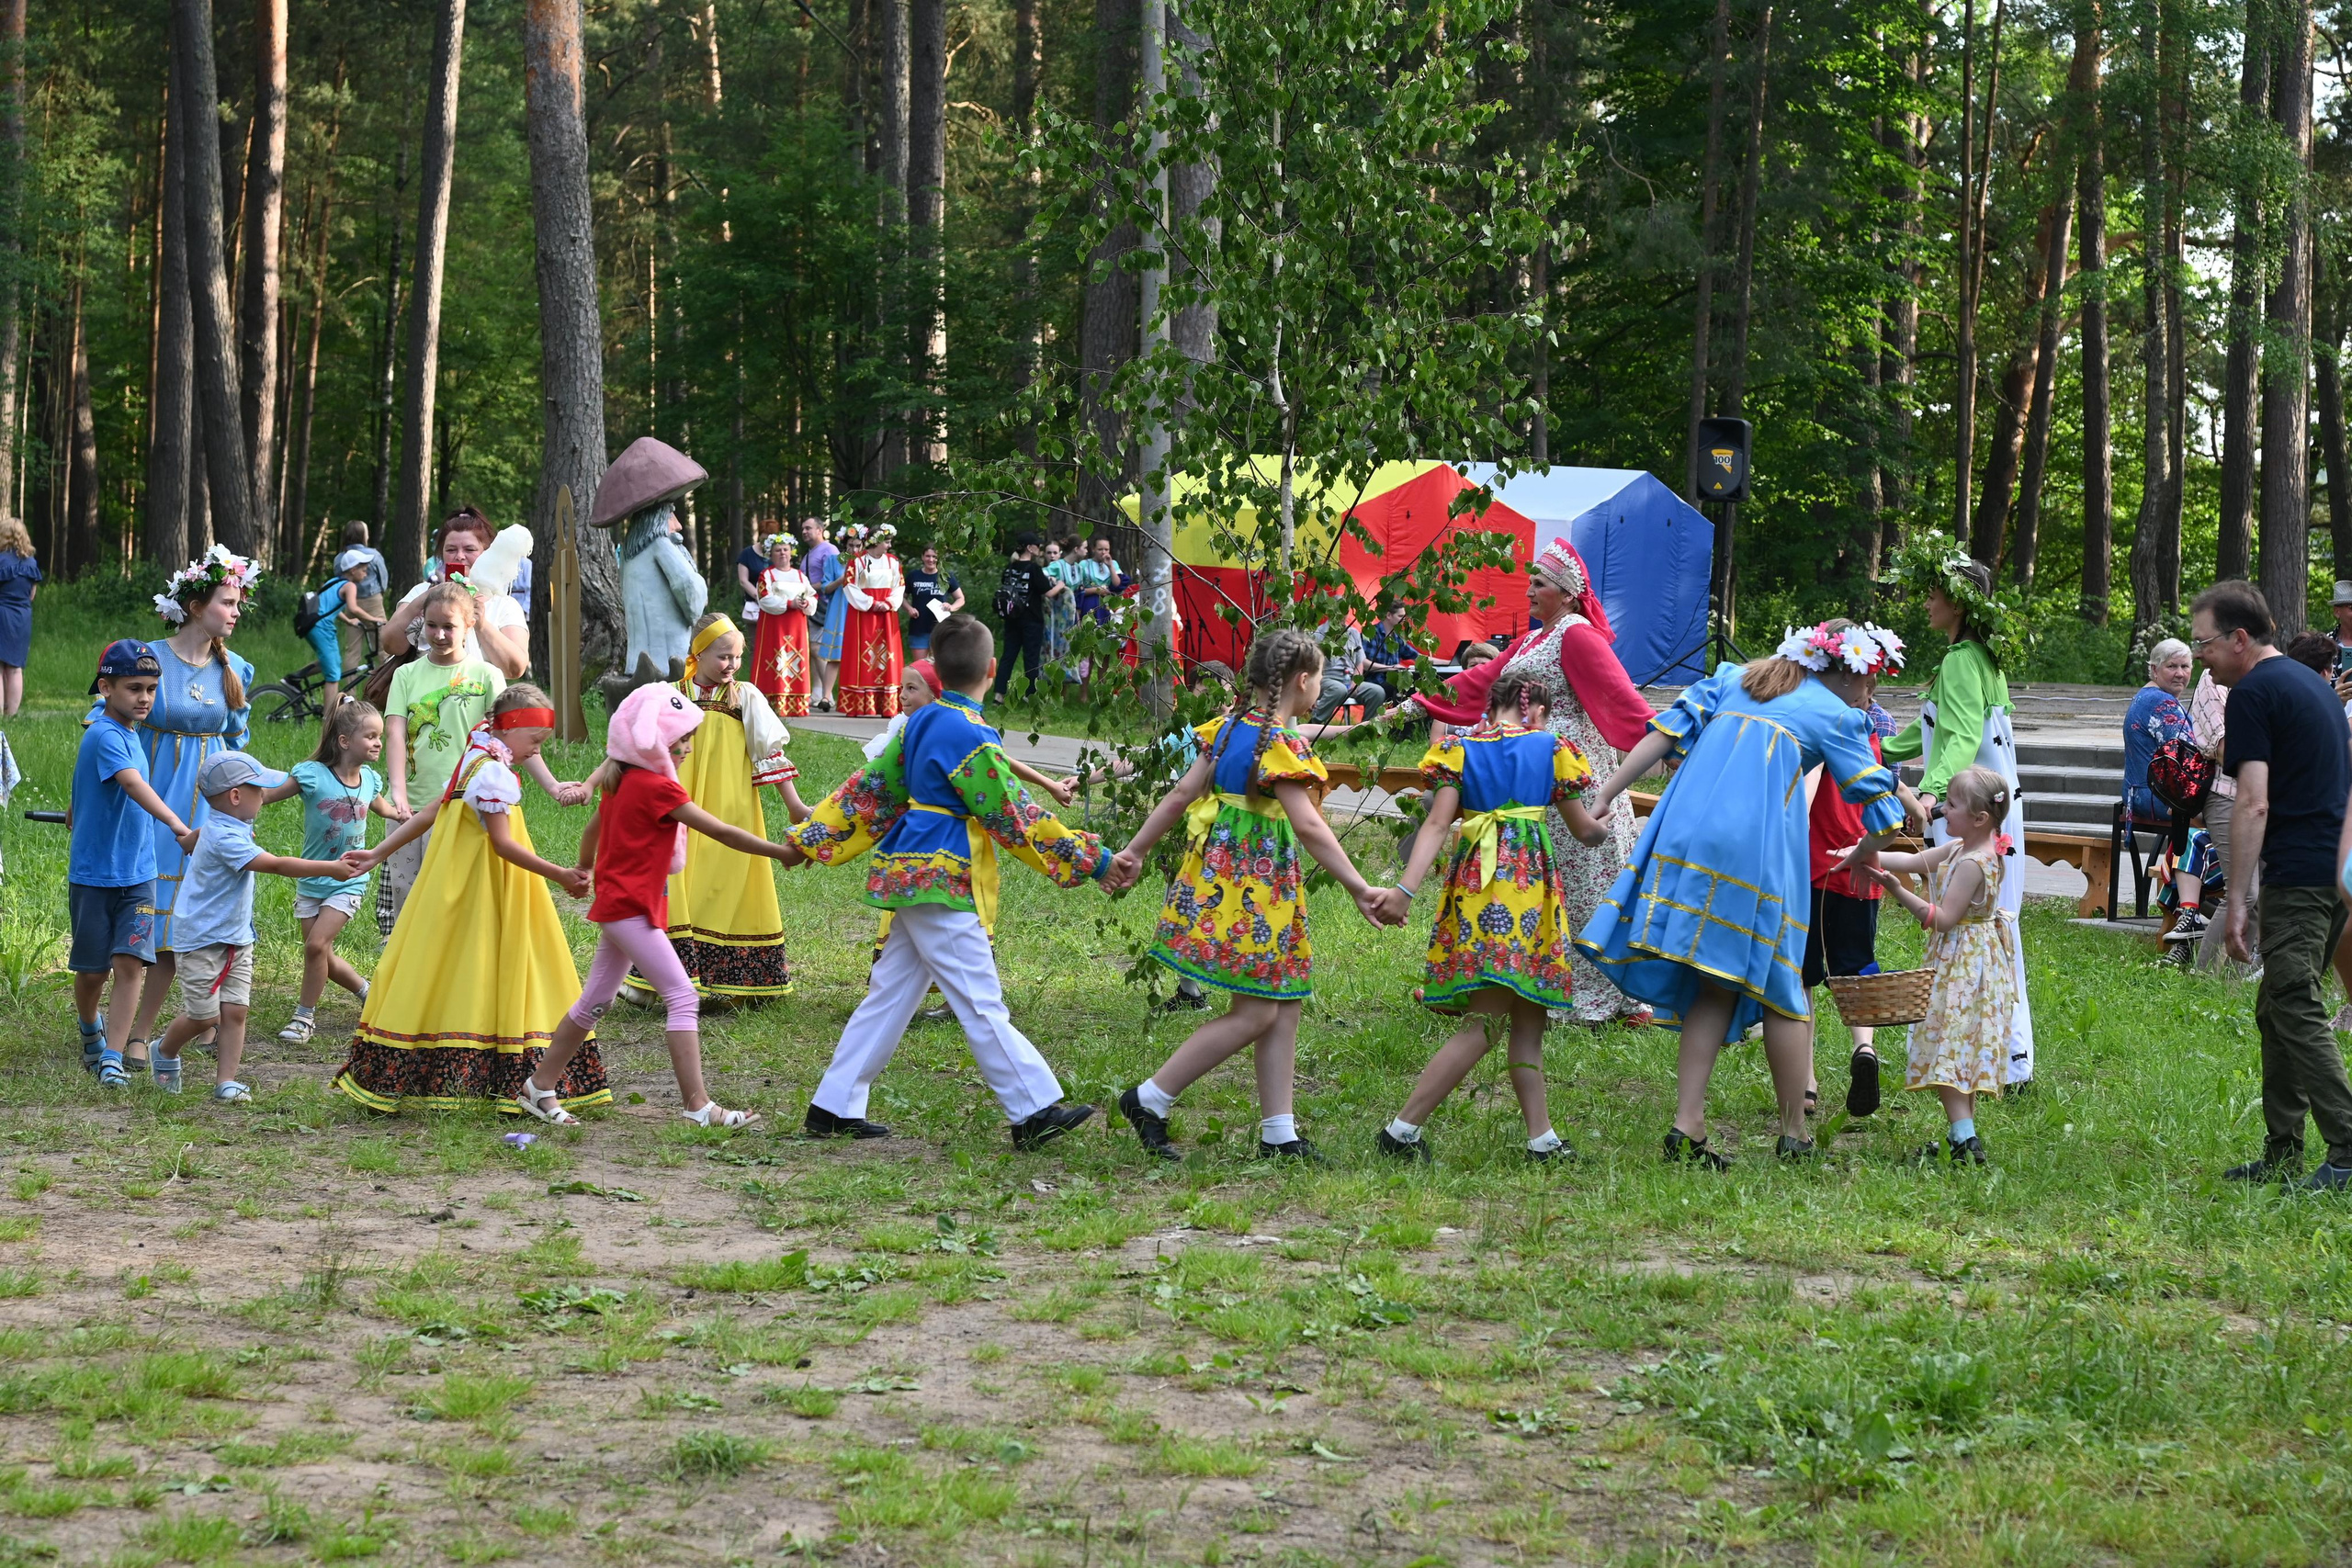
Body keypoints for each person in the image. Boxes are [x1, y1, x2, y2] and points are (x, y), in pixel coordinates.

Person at [1579, 620, 1907, 1167]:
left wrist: (1606, 794)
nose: (1870, 692)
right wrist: (1862, 852)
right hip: (1756, 852)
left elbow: (1663, 733)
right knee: (1782, 986)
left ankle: (1687, 1126)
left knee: (1714, 980)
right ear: (1849, 673)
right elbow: (1886, 814)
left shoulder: (1735, 678)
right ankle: (1795, 1134)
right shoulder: (1838, 716)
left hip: (1686, 837)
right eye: (1871, 679)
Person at [782, 613, 1114, 1149]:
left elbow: (870, 789)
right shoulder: (970, 733)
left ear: (936, 665)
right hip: (941, 876)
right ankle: (1032, 1109)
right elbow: (1014, 815)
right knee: (980, 999)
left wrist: (814, 837)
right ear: (992, 669)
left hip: (909, 871)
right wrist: (1092, 861)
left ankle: (834, 1106)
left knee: (890, 995)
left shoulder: (922, 721)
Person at [1107, 628, 1406, 1164]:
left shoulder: (1227, 729)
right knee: (1256, 1012)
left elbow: (1180, 796)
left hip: (1233, 880)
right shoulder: (1279, 744)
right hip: (1254, 888)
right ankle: (1150, 1097)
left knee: (1283, 1000)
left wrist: (1135, 851)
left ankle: (1279, 1133)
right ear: (1303, 680)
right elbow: (1309, 826)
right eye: (1321, 678)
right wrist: (1360, 887)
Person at [522, 683, 799, 1128]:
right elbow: (722, 831)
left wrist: (584, 867)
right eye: (680, 742)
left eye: (688, 740)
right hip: (629, 908)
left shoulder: (622, 779)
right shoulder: (658, 788)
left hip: (623, 904)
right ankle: (698, 1106)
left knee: (596, 1000)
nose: (687, 749)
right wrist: (780, 852)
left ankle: (539, 1087)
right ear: (654, 743)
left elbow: (592, 830)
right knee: (683, 996)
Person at [1407, 539, 1656, 1025]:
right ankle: (1503, 981)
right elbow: (1480, 681)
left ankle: (1607, 993)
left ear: (1567, 593)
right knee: (1526, 883)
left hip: (1571, 772)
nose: (1528, 592)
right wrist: (1415, 704)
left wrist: (1676, 739)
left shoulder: (1577, 635)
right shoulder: (1532, 641)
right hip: (1529, 770)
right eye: (1530, 582)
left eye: (1539, 584)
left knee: (1583, 880)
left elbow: (1624, 701)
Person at [335, 685, 607, 1114]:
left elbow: (435, 809)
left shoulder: (476, 753)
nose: (536, 751)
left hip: (460, 884)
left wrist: (378, 852)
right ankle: (501, 1071)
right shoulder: (492, 772)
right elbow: (502, 844)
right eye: (535, 741)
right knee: (487, 965)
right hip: (486, 886)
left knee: (458, 967)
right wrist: (558, 874)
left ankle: (457, 1064)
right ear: (509, 729)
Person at [1375, 673, 1607, 1165]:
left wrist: (1405, 891)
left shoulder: (1459, 750)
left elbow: (1437, 823)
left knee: (1528, 1017)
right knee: (1485, 1024)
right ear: (1537, 710)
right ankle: (1401, 1130)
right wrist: (1604, 822)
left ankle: (1541, 1139)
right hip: (1524, 895)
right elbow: (1584, 831)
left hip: (1475, 892)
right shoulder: (1552, 749)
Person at [2194, 581, 2352, 1190]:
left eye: (2205, 642)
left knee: (2293, 1002)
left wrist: (2236, 899)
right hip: (2331, 872)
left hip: (2300, 875)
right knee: (2277, 1005)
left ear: (2239, 638)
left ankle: (2347, 1147)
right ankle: (2283, 1150)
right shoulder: (2311, 684)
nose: (2201, 656)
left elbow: (2252, 802)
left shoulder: (2254, 693)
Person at [1882, 538, 2035, 1089]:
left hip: (1971, 809)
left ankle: (2005, 1057)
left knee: (1984, 926)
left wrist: (1930, 793)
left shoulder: (1961, 661)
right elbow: (1936, 728)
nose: (1926, 602)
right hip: (1986, 805)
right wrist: (1877, 748)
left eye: (1933, 593)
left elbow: (1965, 736)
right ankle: (1996, 1054)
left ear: (1959, 603)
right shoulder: (1977, 659)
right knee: (1992, 924)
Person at [111, 547, 258, 1074]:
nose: (235, 612)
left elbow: (236, 746)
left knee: (199, 915)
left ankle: (188, 1022)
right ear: (196, 606)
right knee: (152, 922)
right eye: (227, 603)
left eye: (238, 603)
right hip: (157, 798)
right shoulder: (150, 657)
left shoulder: (234, 668)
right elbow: (110, 724)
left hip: (208, 804)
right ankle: (130, 1032)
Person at [153, 751, 368, 1101]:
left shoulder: (227, 826)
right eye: (258, 789)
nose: (265, 795)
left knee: (236, 1011)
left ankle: (226, 1081)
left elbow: (202, 836)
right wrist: (331, 869)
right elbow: (277, 865)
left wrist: (191, 839)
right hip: (202, 940)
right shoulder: (226, 838)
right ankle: (164, 1049)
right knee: (204, 1016)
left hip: (236, 938)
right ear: (236, 796)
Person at [625, 614, 805, 1005]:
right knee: (673, 883)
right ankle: (653, 983)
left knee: (727, 883)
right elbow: (641, 749)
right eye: (723, 656)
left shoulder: (746, 697)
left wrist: (794, 806)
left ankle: (738, 984)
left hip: (730, 808)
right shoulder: (669, 695)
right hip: (678, 807)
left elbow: (769, 752)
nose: (732, 665)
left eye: (737, 657)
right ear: (698, 653)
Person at [1864, 764, 2018, 1166]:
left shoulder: (1972, 862)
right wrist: (1860, 854)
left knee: (1948, 1045)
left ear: (1980, 818)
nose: (1941, 811)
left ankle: (1966, 1139)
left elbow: (1944, 919)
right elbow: (1913, 862)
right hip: (1969, 961)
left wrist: (1895, 891)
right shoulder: (1959, 849)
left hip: (1964, 965)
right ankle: (1959, 1137)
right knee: (1959, 1045)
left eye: (1950, 805)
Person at [69, 641, 199, 1086]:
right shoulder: (105, 733)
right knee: (93, 972)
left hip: (139, 874)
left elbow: (95, 781)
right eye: (134, 688)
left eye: (151, 689)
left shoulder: (126, 731)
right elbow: (131, 783)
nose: (145, 698)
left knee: (129, 964)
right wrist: (178, 826)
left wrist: (76, 805)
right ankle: (91, 1024)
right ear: (105, 688)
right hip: (95, 875)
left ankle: (112, 1055)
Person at [1804, 667, 1924, 1119]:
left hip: (1813, 870)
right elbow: (1890, 783)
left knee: (1803, 978)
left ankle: (1806, 1080)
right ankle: (1864, 1049)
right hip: (1861, 870)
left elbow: (1809, 786)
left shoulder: (1818, 731)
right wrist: (1914, 803)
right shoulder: (1867, 734)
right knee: (1856, 969)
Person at [268, 700, 406, 1045]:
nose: (378, 743)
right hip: (312, 879)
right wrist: (237, 811)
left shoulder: (370, 780)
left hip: (349, 879)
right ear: (344, 741)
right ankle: (368, 992)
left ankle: (303, 1019)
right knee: (321, 955)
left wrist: (404, 814)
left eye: (380, 736)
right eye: (370, 736)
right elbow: (268, 797)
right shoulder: (312, 775)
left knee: (316, 946)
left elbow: (384, 808)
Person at [379, 582, 505, 933]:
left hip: (461, 803)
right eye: (431, 625)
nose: (438, 635)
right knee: (406, 894)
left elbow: (504, 739)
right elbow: (395, 732)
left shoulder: (487, 675)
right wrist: (398, 791)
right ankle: (406, 960)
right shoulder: (406, 674)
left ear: (469, 625)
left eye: (449, 626)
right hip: (409, 804)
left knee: (451, 897)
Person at [2121, 637, 2207, 942]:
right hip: (2156, 796)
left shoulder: (2146, 695)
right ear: (2154, 669)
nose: (2180, 673)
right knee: (2218, 817)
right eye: (2172, 666)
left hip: (2139, 794)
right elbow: (2191, 753)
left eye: (2185, 666)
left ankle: (2192, 903)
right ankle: (2190, 906)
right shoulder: (2162, 703)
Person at [379, 508, 529, 678]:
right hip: (422, 692)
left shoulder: (503, 604)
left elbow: (515, 669)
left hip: (481, 693)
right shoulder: (421, 592)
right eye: (451, 550)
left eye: (469, 549)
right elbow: (390, 645)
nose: (459, 556)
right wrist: (422, 602)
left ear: (486, 553)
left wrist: (482, 625)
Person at [2188, 665, 2247, 976]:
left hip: (2256, 796)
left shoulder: (2255, 676)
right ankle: (2203, 975)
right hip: (2224, 793)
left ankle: (2235, 980)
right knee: (2241, 890)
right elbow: (2224, 750)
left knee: (2259, 893)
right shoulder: (2212, 680)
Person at [307, 549, 386, 728]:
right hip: (322, 628)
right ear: (353, 570)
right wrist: (375, 619)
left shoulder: (334, 581)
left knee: (330, 662)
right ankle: (329, 720)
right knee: (333, 675)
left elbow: (329, 607)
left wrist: (348, 621)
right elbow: (354, 608)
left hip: (313, 625)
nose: (365, 573)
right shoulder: (350, 586)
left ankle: (295, 678)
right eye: (363, 570)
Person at [839, 524, 907, 717]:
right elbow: (849, 586)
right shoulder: (857, 562)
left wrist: (888, 603)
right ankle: (859, 704)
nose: (889, 545)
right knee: (862, 655)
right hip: (863, 615)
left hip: (887, 615)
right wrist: (870, 603)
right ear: (876, 541)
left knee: (887, 656)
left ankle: (887, 705)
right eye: (887, 542)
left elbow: (899, 586)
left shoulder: (893, 562)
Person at [749, 532, 818, 717]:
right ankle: (772, 701)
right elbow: (764, 598)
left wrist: (806, 603)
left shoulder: (800, 576)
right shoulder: (767, 575)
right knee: (776, 659)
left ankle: (796, 703)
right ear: (771, 554)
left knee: (796, 660)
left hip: (797, 626)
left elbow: (812, 595)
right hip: (775, 625)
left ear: (791, 552)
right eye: (778, 550)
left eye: (785, 549)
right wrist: (789, 603)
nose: (782, 553)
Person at [990, 534, 1052, 699]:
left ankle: (999, 694)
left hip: (1012, 617)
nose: (1039, 548)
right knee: (1031, 658)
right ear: (1029, 548)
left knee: (1008, 656)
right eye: (1037, 545)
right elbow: (1048, 592)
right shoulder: (1034, 569)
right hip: (1032, 620)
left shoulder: (1010, 567)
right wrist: (1060, 584)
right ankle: (1030, 695)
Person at [814, 523, 861, 711]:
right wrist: (842, 579)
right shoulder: (834, 561)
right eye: (850, 545)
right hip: (839, 608)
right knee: (835, 655)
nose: (854, 550)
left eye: (858, 546)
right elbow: (825, 587)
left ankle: (856, 696)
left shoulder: (867, 562)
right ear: (844, 544)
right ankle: (826, 696)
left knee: (858, 654)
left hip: (860, 608)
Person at [1310, 612, 1387, 725]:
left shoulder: (1353, 633)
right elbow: (1312, 665)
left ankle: (1366, 728)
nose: (1342, 615)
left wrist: (1356, 681)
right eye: (1339, 611)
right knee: (1338, 689)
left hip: (1350, 679)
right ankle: (1313, 723)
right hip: (1327, 678)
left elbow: (1360, 662)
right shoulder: (1319, 633)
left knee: (1377, 692)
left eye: (1345, 611)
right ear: (1330, 612)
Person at [800, 517, 844, 710]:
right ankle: (817, 693)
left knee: (818, 648)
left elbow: (833, 577)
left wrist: (806, 588)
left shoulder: (829, 550)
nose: (804, 531)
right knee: (812, 649)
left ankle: (828, 694)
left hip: (825, 606)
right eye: (803, 528)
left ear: (820, 530)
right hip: (812, 604)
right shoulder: (809, 553)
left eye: (808, 528)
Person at [0, 516, 40, 717]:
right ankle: (12, 715)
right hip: (22, 616)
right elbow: (31, 595)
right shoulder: (31, 563)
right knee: (15, 668)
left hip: (2, 613)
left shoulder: (0, 560)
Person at [338, 522, 389, 675]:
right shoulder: (373, 555)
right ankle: (385, 685)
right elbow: (383, 578)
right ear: (362, 535)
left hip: (350, 602)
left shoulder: (340, 558)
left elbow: (340, 584)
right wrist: (380, 593)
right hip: (373, 601)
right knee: (383, 647)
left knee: (352, 651)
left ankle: (350, 689)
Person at [904, 544, 964, 656]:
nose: (931, 560)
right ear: (922, 557)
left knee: (939, 664)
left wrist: (951, 607)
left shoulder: (946, 576)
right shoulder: (913, 576)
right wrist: (909, 609)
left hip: (941, 628)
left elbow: (960, 598)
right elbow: (901, 597)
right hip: (919, 628)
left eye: (934, 557)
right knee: (921, 664)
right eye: (928, 556)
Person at [1363, 601, 1421, 700]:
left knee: (1415, 684)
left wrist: (1447, 663)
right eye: (1400, 616)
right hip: (1374, 682)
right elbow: (1363, 663)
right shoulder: (1371, 633)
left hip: (1391, 681)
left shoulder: (1397, 637)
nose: (1403, 619)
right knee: (1401, 688)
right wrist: (1391, 668)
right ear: (1389, 615)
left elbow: (1417, 657)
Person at [1042, 539, 1079, 663]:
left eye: (1055, 553)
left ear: (1060, 554)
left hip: (1065, 613)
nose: (1052, 556)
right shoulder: (1043, 572)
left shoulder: (1067, 569)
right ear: (1044, 554)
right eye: (1049, 553)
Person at [734, 533, 774, 621]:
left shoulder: (777, 554)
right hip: (754, 605)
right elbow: (743, 581)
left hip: (776, 605)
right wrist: (760, 597)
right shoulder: (747, 553)